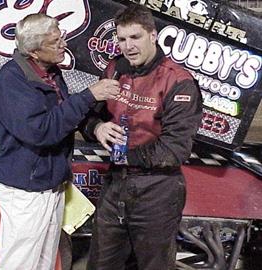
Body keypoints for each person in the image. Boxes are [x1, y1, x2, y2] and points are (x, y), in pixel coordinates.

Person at [0, 13, 120, 270]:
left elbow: (64, 114)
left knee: (46, 262)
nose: (64, 44)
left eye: (62, 37)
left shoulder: (50, 72)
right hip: (26, 190)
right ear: (34, 51)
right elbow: (41, 131)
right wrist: (88, 96)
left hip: (51, 184)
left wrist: (96, 126)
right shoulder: (12, 81)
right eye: (55, 41)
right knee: (20, 263)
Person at [82, 5, 203, 270]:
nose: (128, 46)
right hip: (115, 186)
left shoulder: (178, 81)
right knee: (100, 264)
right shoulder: (115, 69)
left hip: (158, 190)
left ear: (153, 35)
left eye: (135, 37)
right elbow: (87, 117)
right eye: (122, 39)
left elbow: (175, 150)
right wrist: (97, 128)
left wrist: (124, 155)